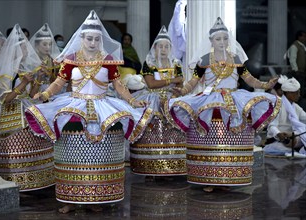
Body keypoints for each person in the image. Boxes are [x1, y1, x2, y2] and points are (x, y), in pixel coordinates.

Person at [24, 10, 152, 213]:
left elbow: (118, 85)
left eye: (96, 39)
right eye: (89, 38)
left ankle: (98, 196)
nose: (92, 42)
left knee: (101, 153)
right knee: (71, 152)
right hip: (73, 107)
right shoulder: (71, 59)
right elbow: (59, 82)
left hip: (103, 107)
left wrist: (131, 100)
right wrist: (46, 94)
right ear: (81, 38)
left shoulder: (108, 59)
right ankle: (70, 198)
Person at [168, 17, 281, 192]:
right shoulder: (205, 59)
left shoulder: (235, 58)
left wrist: (266, 85)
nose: (222, 42)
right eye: (218, 39)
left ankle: (229, 175)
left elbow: (248, 79)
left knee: (233, 138)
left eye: (225, 38)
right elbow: (194, 82)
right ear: (211, 41)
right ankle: (209, 177)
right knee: (211, 139)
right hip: (211, 103)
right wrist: (182, 92)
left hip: (234, 101)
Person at [0, 24, 55, 191]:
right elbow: (5, 99)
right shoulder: (5, 70)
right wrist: (24, 83)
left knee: (43, 120)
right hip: (9, 110)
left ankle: (39, 174)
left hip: (26, 105)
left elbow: (33, 94)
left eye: (25, 48)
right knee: (26, 124)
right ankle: (18, 176)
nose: (25, 51)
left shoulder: (28, 68)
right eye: (21, 48)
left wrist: (38, 80)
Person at [129, 25, 186, 180]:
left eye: (166, 46)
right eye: (160, 46)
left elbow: (180, 85)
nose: (163, 49)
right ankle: (150, 166)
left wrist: (176, 87)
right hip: (153, 99)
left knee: (172, 131)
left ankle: (171, 166)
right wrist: (173, 80)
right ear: (155, 48)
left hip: (171, 99)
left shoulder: (175, 64)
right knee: (153, 131)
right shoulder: (149, 63)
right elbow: (151, 84)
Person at [264, 76, 306, 158]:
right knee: (285, 148)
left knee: (302, 136)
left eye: (299, 92)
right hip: (277, 140)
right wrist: (279, 134)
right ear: (288, 93)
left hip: (292, 138)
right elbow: (272, 126)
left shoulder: (296, 107)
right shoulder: (277, 105)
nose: (299, 95)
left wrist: (293, 135)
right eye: (296, 93)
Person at [29, 23, 62, 94]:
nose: (48, 47)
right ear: (37, 45)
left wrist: (49, 74)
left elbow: (57, 82)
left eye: (50, 44)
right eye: (44, 44)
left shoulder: (54, 61)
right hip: (33, 93)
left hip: (50, 92)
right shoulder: (31, 61)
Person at [285, 30, 306, 104]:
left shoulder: (302, 46)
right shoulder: (295, 46)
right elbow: (292, 59)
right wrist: (296, 70)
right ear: (299, 37)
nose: (305, 38)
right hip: (297, 73)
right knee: (297, 89)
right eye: (303, 36)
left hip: (302, 72)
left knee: (302, 90)